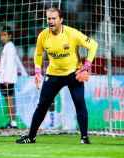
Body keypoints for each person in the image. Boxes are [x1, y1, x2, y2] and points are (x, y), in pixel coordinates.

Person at [16, 8, 98, 144]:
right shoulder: (43, 35)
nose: (51, 21)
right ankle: (31, 137)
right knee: (42, 106)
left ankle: (84, 137)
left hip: (73, 74)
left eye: (54, 18)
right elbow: (38, 53)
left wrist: (87, 66)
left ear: (61, 20)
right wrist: (37, 72)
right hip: (53, 74)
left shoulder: (72, 33)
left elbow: (93, 45)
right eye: (49, 18)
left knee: (79, 103)